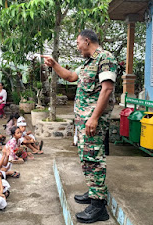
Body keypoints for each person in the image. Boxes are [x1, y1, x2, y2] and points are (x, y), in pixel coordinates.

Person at [41, 29, 117, 223]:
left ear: (87, 40)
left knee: (94, 158)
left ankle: (99, 206)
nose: (77, 46)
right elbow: (70, 77)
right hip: (84, 121)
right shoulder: (87, 62)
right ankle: (94, 192)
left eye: (77, 43)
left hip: (93, 121)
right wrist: (54, 64)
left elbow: (107, 89)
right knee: (86, 157)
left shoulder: (105, 58)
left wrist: (93, 118)